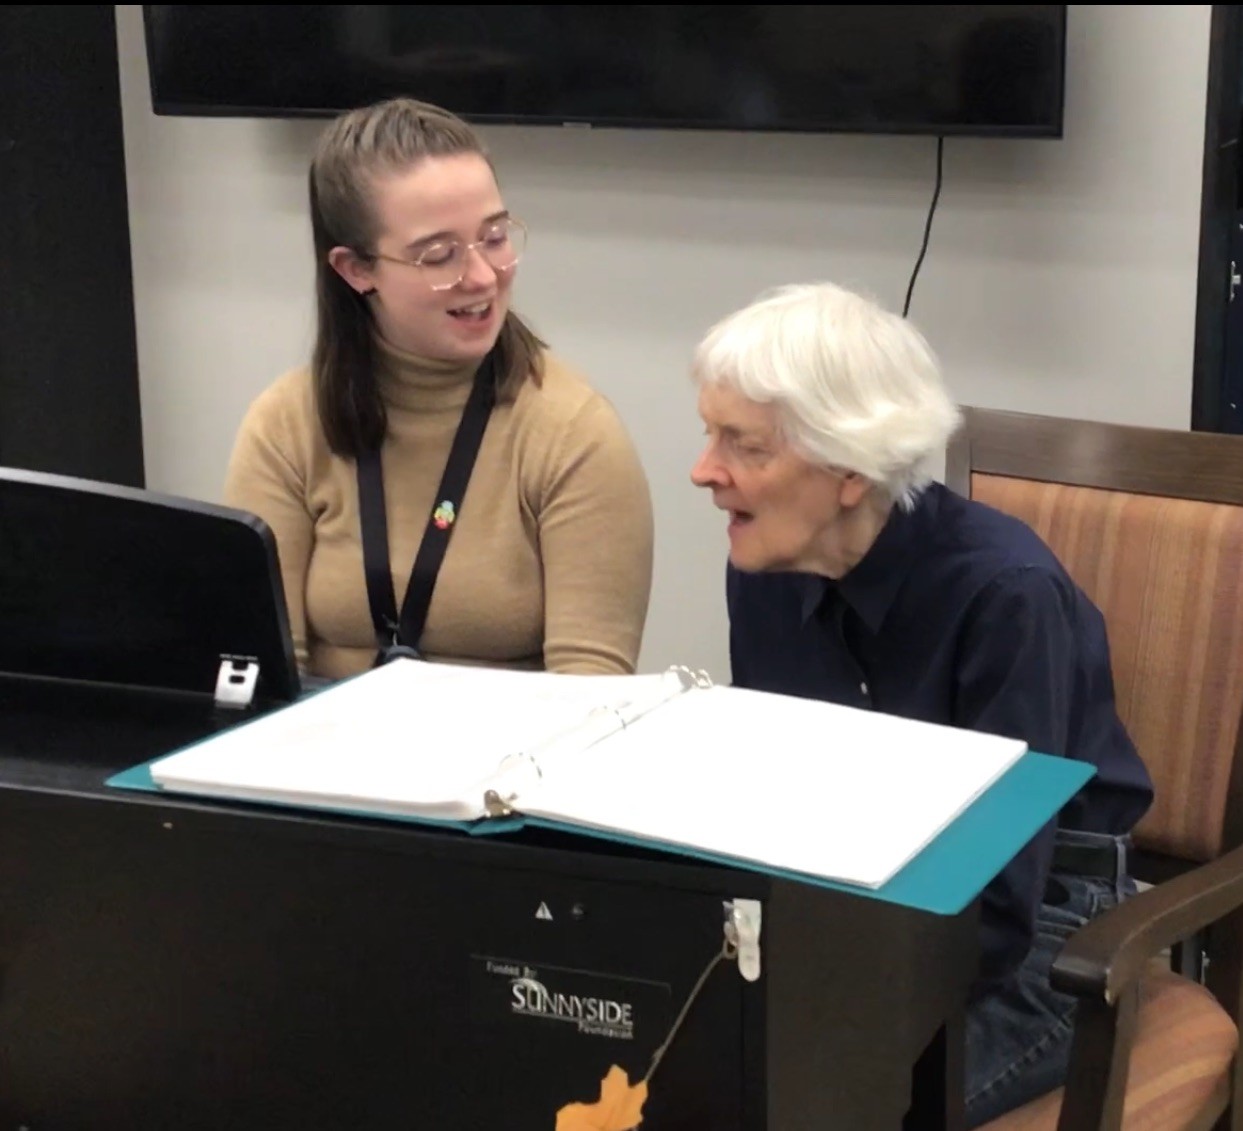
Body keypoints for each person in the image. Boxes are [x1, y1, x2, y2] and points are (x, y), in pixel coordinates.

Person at [688, 281, 1153, 1126]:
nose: (702, 470)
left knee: (819, 1107)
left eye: (741, 445)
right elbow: (769, 809)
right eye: (708, 433)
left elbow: (1001, 903)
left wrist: (835, 1010)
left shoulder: (1003, 592)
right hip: (857, 901)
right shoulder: (763, 567)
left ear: (848, 469)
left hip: (1048, 920)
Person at [224, 98, 654, 681]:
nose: (481, 277)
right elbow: (261, 675)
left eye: (494, 237)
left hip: (518, 744)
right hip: (322, 738)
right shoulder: (286, 425)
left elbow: (592, 691)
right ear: (355, 270)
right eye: (438, 255)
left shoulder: (573, 432)